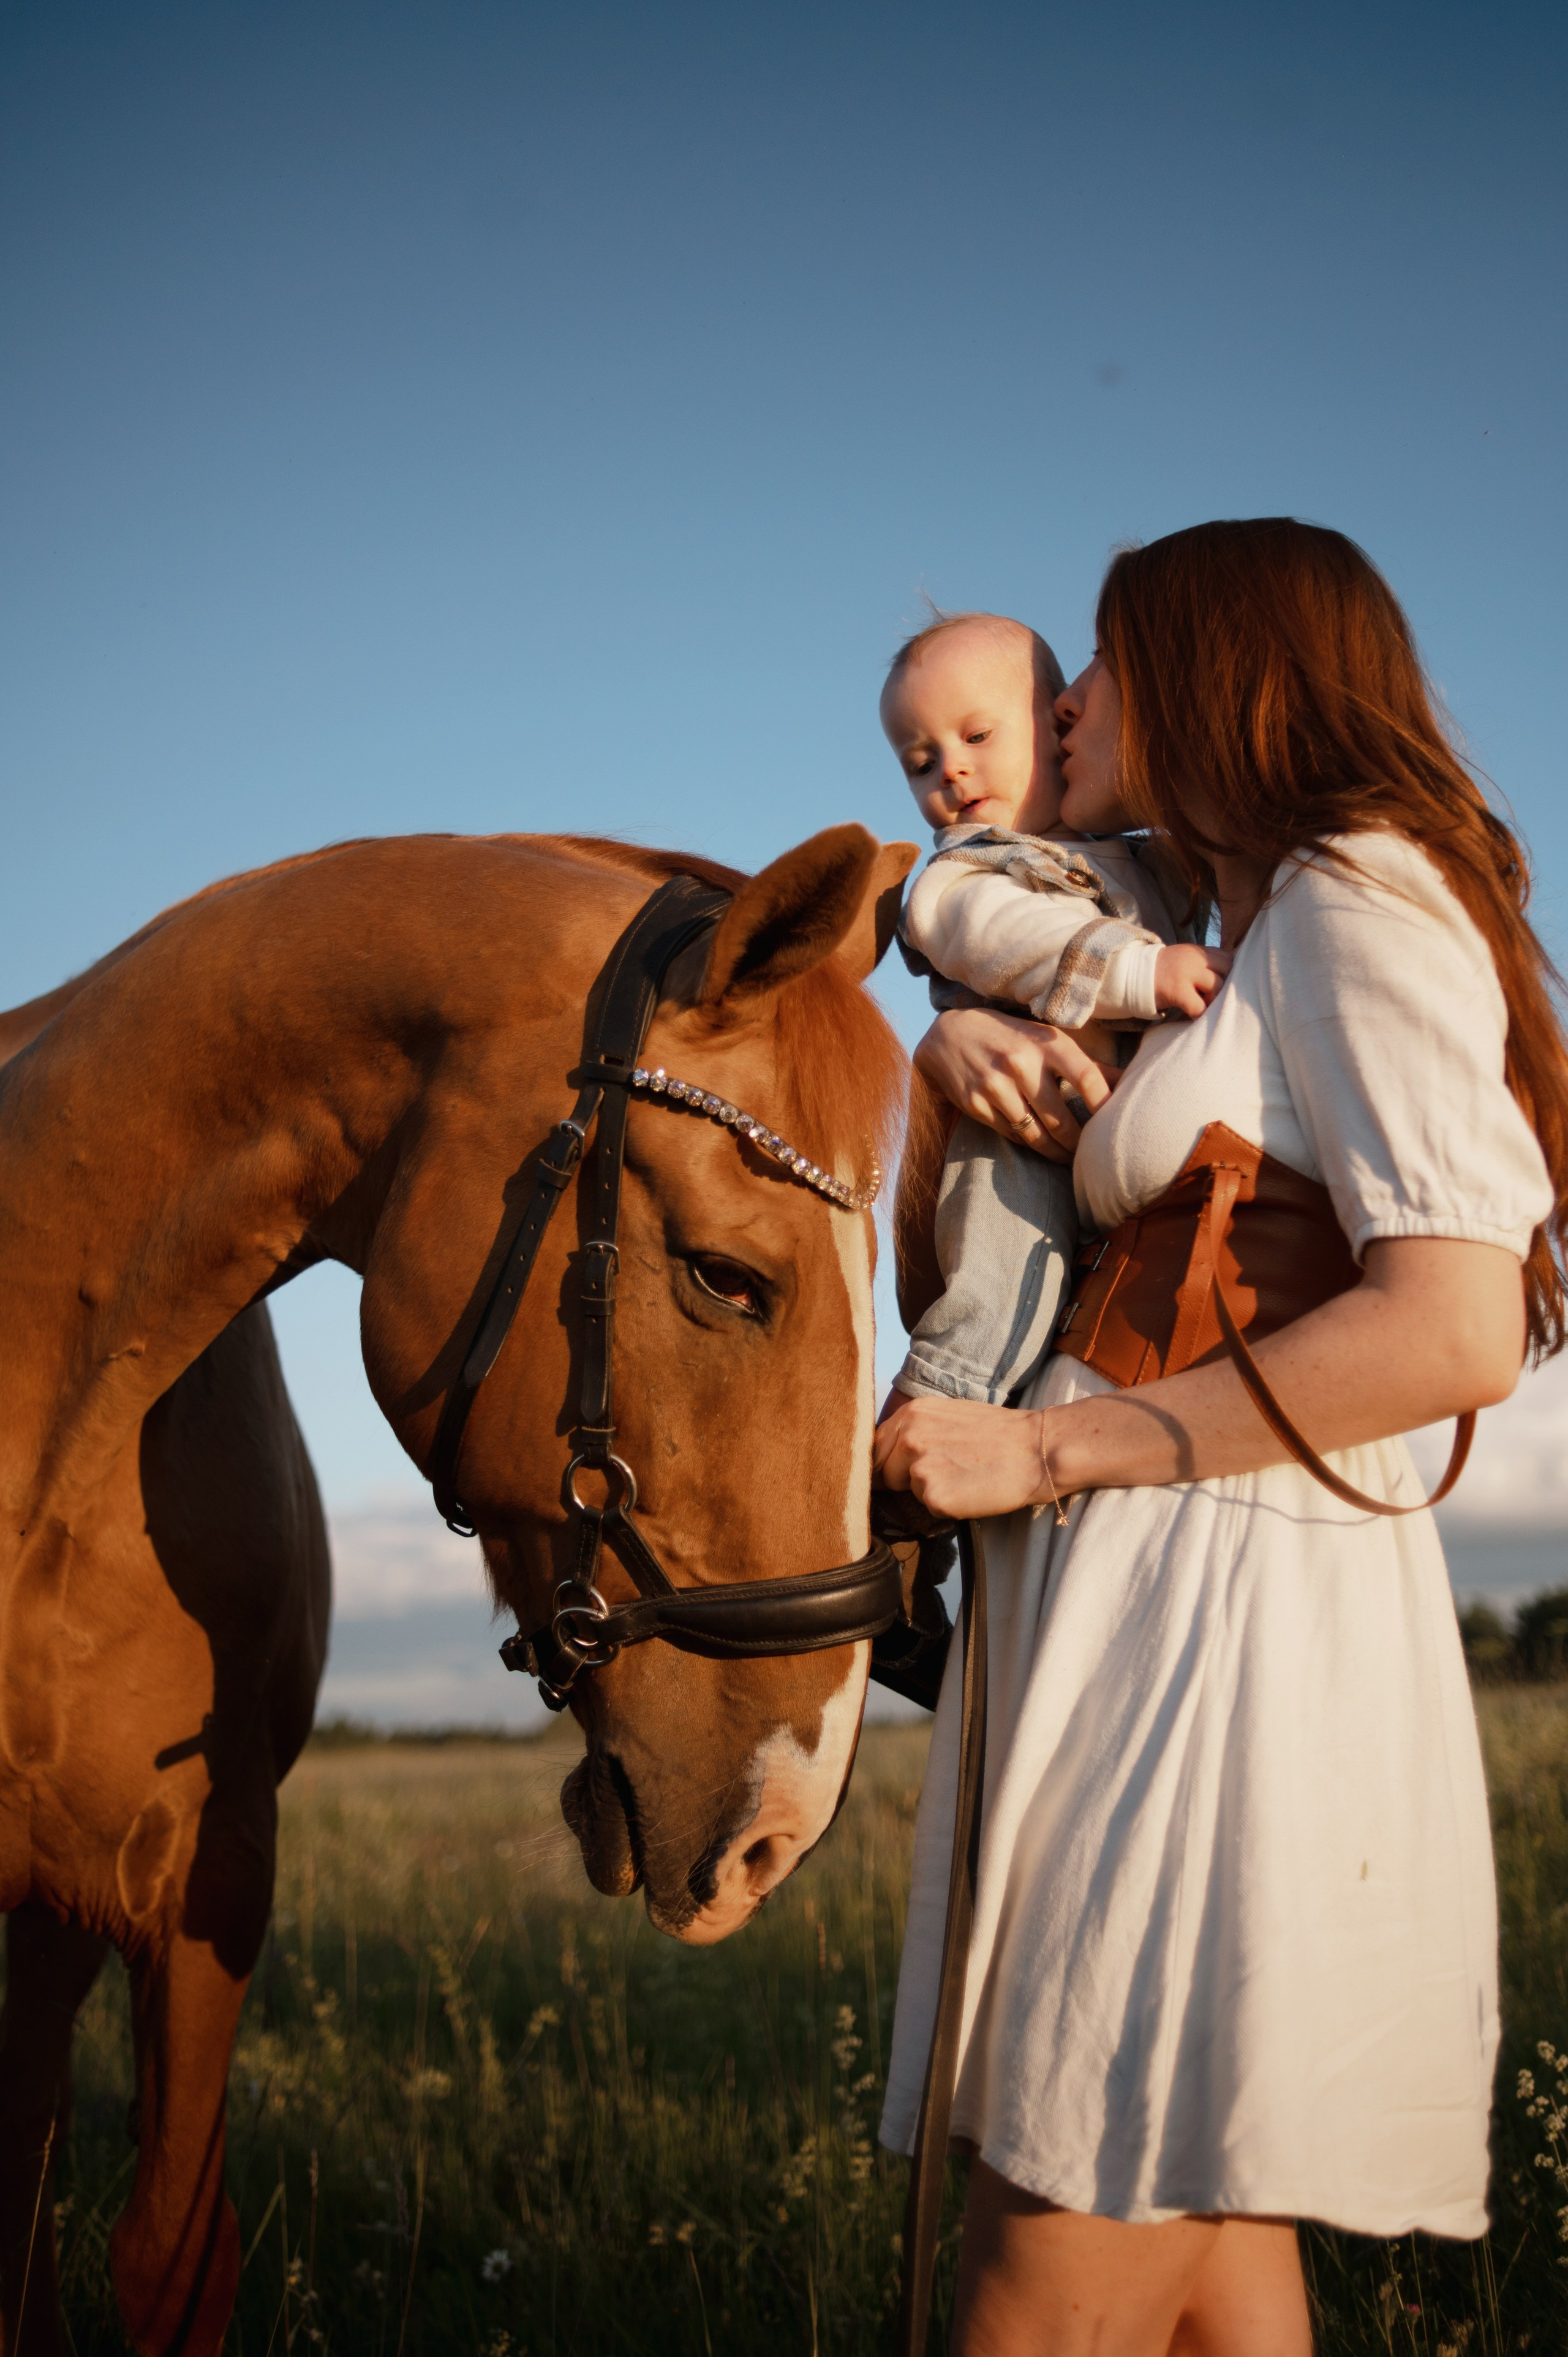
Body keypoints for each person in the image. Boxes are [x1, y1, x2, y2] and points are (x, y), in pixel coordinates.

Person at [873, 519, 1568, 2356]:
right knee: (1208, 2252)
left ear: (1219, 675)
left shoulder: (1357, 899)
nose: (1069, 702)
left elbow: (1455, 1317)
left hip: (1227, 1617)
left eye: (1101, 661)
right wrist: (952, 1065)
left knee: (1055, 2247)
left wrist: (1042, 1460)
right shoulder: (1227, 934)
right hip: (1153, 1586)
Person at [882, 610, 1229, 1409]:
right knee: (1007, 1268)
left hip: (1129, 1136)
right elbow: (1007, 935)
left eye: (977, 737)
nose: (952, 775)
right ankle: (941, 1395)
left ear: (1057, 724)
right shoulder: (968, 874)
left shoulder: (1144, 857)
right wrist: (1142, 970)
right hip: (1023, 1125)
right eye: (921, 761)